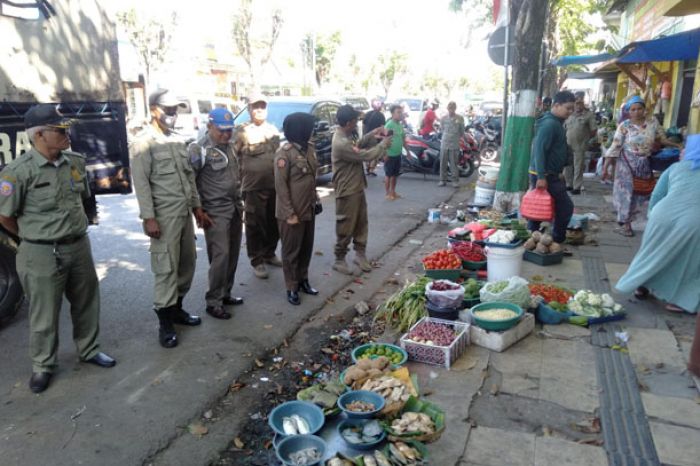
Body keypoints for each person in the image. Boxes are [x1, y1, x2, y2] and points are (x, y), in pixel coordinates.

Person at [0, 104, 116, 393]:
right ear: (39, 135)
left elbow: (85, 200)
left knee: (86, 302)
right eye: (59, 129)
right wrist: (32, 238)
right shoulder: (17, 172)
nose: (66, 133)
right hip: (40, 252)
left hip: (78, 246)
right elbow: (5, 217)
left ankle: (88, 350)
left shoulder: (74, 162)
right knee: (43, 313)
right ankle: (43, 365)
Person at [131, 89, 211, 348]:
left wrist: (197, 207)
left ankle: (177, 309)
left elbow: (189, 177)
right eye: (168, 110)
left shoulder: (177, 141)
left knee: (187, 263)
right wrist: (148, 218)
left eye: (176, 110)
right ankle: (165, 323)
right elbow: (141, 183)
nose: (173, 115)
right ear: (153, 109)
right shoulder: (144, 142)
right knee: (166, 269)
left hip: (184, 214)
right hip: (163, 216)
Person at [615, 134, 700, 316]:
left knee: (650, 252)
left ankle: (640, 286)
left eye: (685, 148)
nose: (682, 151)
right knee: (688, 262)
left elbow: (657, 195)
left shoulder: (676, 168)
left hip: (662, 215)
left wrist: (653, 216)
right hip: (694, 222)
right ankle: (679, 302)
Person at [188, 108, 244, 320]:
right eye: (221, 130)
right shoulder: (198, 149)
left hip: (234, 208)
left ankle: (225, 293)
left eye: (229, 130)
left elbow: (234, 177)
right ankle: (213, 302)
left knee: (232, 255)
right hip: (214, 211)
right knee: (220, 257)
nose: (226, 135)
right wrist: (198, 210)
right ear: (210, 125)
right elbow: (189, 182)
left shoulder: (229, 147)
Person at [602, 95, 681, 237]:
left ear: (645, 109)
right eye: (633, 109)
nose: (636, 112)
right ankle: (626, 224)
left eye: (639, 109)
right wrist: (605, 167)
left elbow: (662, 139)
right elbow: (615, 146)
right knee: (626, 192)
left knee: (642, 192)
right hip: (626, 163)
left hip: (644, 163)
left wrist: (678, 145)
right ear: (628, 111)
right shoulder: (624, 126)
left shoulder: (653, 122)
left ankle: (633, 219)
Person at [331, 104, 390, 275]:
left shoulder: (348, 135)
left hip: (356, 186)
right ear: (349, 122)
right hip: (346, 189)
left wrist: (372, 134)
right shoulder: (340, 142)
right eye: (356, 120)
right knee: (345, 226)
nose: (358, 122)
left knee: (361, 223)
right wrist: (383, 145)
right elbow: (364, 155)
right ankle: (339, 259)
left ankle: (360, 254)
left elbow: (358, 145)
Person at [274, 113, 321, 305]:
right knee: (291, 251)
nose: (312, 131)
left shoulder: (309, 149)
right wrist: (289, 213)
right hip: (291, 212)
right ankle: (291, 286)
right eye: (309, 127)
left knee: (306, 248)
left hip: (307, 208)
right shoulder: (284, 153)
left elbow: (311, 178)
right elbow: (280, 186)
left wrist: (315, 198)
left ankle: (303, 280)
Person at [235, 93, 282, 279]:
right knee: (255, 225)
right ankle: (257, 260)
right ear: (249, 110)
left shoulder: (273, 130)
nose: (260, 110)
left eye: (263, 106)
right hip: (252, 187)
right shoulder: (241, 131)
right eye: (256, 106)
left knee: (274, 223)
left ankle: (269, 253)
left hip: (274, 186)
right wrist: (238, 185)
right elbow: (233, 158)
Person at [527, 90, 576, 248]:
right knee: (565, 207)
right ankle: (557, 239)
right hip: (544, 174)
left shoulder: (556, 122)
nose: (570, 112)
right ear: (556, 105)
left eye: (571, 109)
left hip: (550, 173)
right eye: (568, 108)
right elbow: (539, 151)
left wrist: (559, 171)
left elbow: (554, 150)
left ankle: (533, 236)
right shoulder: (550, 124)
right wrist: (541, 176)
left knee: (539, 206)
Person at [564, 91, 597, 194]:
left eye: (580, 102)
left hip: (580, 145)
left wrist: (585, 138)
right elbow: (564, 127)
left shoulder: (588, 114)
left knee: (578, 166)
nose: (578, 105)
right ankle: (568, 184)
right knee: (567, 165)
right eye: (576, 102)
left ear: (583, 103)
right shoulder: (569, 113)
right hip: (568, 143)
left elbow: (593, 130)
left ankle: (576, 187)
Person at [384, 105, 409, 200]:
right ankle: (387, 194)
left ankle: (393, 192)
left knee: (395, 175)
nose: (400, 114)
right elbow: (385, 139)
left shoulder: (400, 125)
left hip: (398, 154)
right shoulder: (389, 125)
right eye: (398, 112)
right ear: (392, 113)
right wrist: (385, 153)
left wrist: (408, 152)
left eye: (401, 112)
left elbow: (403, 139)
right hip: (389, 154)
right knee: (388, 175)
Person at [438, 101, 465, 188]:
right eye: (450, 108)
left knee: (454, 163)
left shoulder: (460, 118)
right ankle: (442, 180)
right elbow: (442, 129)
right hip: (445, 143)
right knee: (443, 163)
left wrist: (455, 137)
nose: (451, 110)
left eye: (453, 108)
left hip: (454, 144)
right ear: (447, 108)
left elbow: (462, 131)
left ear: (455, 108)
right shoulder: (443, 118)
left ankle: (455, 181)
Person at [361, 99, 386, 177]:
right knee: (375, 153)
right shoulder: (381, 116)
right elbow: (382, 127)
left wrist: (364, 134)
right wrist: (382, 136)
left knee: (366, 151)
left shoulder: (368, 113)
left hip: (366, 135)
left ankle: (367, 167)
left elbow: (363, 125)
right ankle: (371, 169)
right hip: (375, 137)